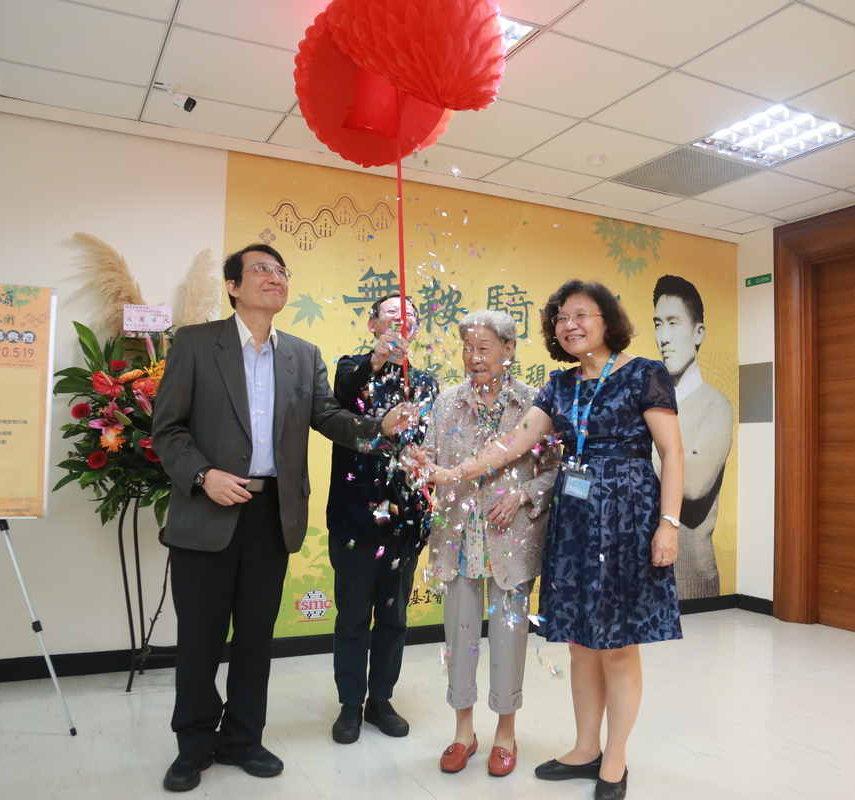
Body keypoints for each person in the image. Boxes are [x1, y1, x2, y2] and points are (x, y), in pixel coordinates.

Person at [151, 243, 414, 793]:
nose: (274, 278)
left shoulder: (301, 353)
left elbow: (329, 416)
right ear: (233, 286)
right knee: (199, 638)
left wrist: (378, 429)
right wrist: (204, 476)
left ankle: (243, 738)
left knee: (254, 636)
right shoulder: (197, 345)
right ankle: (193, 745)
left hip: (273, 513)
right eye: (261, 270)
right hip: (208, 508)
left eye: (280, 271)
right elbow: (168, 430)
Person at [426, 280, 685, 800]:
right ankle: (585, 747)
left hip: (628, 515)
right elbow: (514, 442)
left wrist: (668, 523)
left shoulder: (643, 374)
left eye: (581, 315)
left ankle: (615, 759)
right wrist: (456, 471)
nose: (570, 325)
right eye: (562, 317)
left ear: (607, 321)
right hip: (575, 517)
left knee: (617, 646)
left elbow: (673, 454)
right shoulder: (559, 386)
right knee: (580, 644)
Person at [425, 309, 556, 777]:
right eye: (467, 348)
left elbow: (553, 471)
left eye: (483, 348)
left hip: (510, 539)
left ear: (508, 350)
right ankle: (464, 732)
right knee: (459, 638)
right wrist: (415, 463)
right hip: (458, 538)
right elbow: (428, 463)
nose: (473, 358)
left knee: (508, 638)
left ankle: (505, 732)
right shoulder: (445, 402)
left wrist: (523, 493)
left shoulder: (534, 404)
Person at [327, 293, 438, 744]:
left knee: (393, 618)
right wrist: (374, 362)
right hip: (355, 516)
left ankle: (381, 700)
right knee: (353, 615)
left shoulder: (426, 382)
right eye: (392, 314)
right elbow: (342, 401)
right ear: (373, 324)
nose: (401, 321)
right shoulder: (349, 368)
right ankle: (350, 704)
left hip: (405, 519)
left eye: (410, 316)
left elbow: (425, 440)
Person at [651, 275, 734, 600]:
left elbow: (694, 484)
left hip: (691, 581)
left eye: (674, 323)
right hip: (644, 570)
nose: (664, 337)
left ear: (698, 332)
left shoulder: (716, 406)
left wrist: (633, 451)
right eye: (658, 324)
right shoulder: (651, 402)